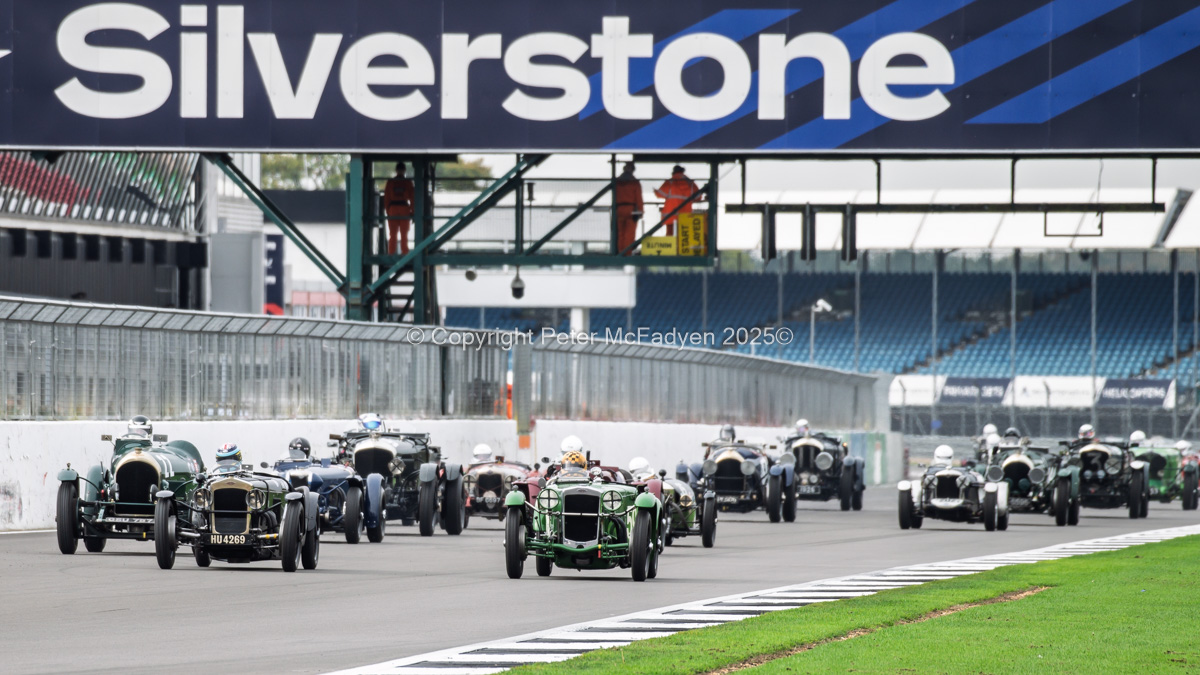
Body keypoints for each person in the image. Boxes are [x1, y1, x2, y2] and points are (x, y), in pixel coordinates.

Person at [654, 165, 702, 236]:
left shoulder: (670, 182)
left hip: (671, 216)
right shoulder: (691, 183)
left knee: (670, 238)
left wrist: (655, 191)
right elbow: (698, 197)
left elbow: (659, 194)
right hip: (685, 217)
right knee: (684, 238)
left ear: (673, 172)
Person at [384, 163, 415, 255]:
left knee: (393, 234)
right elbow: (412, 198)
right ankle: (404, 253)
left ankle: (391, 254)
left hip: (393, 209)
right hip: (404, 209)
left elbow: (386, 198)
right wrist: (412, 211)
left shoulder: (391, 182)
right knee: (404, 234)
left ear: (396, 170)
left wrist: (388, 211)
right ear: (404, 170)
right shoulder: (408, 182)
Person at [614, 162, 644, 255]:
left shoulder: (617, 182)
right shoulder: (635, 182)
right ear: (633, 170)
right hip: (631, 210)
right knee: (629, 234)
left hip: (619, 209)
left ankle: (620, 252)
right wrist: (641, 211)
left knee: (620, 233)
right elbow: (638, 198)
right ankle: (627, 253)